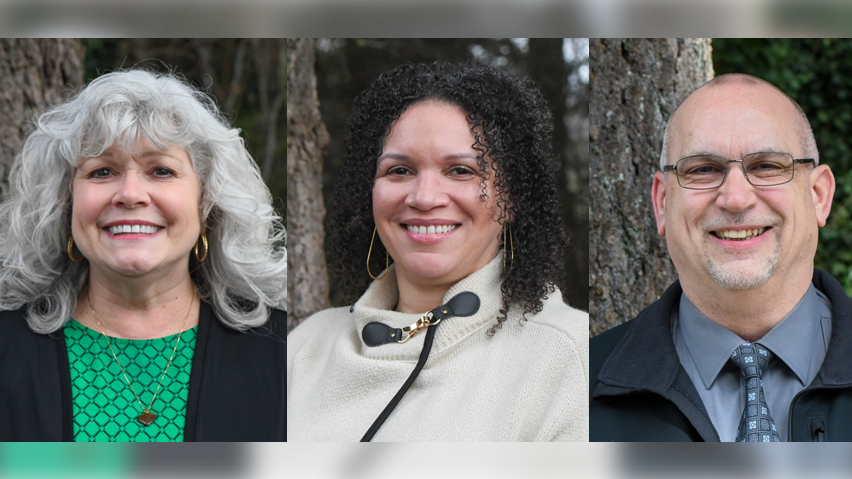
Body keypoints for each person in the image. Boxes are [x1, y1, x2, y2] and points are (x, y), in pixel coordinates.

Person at [287, 62, 588, 441]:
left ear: (510, 199)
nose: (424, 197)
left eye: (461, 171)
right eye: (399, 171)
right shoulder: (304, 347)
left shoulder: (568, 357)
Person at [0, 69, 287, 441]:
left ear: (206, 203)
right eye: (102, 171)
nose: (130, 193)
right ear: (65, 203)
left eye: (161, 170)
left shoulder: (283, 353)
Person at [589, 73, 852, 442]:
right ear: (662, 203)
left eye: (766, 166)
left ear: (819, 196)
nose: (736, 198)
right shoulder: (571, 390)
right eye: (703, 170)